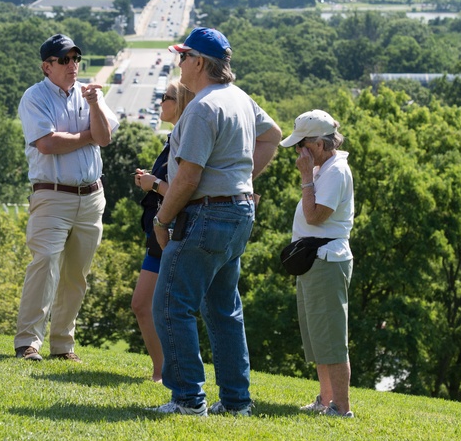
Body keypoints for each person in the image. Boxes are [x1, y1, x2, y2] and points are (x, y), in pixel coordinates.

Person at [149, 27, 281, 416]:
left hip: (207, 214)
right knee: (224, 308)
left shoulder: (203, 107)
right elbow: (272, 135)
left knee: (172, 304)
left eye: (184, 56)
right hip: (239, 213)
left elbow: (188, 177)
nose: (179, 63)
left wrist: (162, 218)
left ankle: (189, 399)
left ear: (200, 63)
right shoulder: (240, 98)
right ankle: (237, 401)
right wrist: (241, 179)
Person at [14, 33, 119, 362]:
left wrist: (93, 105)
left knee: (76, 274)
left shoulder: (89, 94)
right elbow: (46, 143)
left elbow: (104, 138)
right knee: (44, 263)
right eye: (65, 59)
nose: (73, 65)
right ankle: (28, 342)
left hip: (91, 197)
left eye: (76, 59)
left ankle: (62, 345)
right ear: (47, 66)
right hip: (52, 195)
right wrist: (86, 136)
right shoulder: (35, 97)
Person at [280, 110, 356, 418]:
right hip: (315, 260)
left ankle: (342, 408)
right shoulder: (325, 168)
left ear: (320, 145)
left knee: (332, 338)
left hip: (328, 260)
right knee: (318, 337)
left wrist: (304, 177)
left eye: (302, 145)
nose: (298, 152)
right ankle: (326, 400)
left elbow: (316, 216)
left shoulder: (336, 172)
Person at [132, 79, 194, 382]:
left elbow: (186, 189)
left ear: (180, 102)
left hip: (173, 233)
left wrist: (153, 184)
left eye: (165, 97)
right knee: (143, 305)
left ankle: (168, 374)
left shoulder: (186, 139)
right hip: (158, 235)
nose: (160, 103)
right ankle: (161, 372)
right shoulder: (173, 138)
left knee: (156, 306)